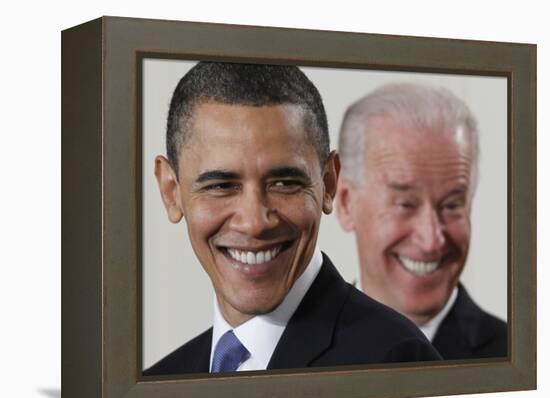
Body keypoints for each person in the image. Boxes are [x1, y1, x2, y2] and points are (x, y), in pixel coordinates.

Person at [144, 63, 440, 376]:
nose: (255, 222)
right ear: (171, 190)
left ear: (328, 183)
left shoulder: (395, 363)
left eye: (284, 183)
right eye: (221, 186)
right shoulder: (159, 383)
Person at [335, 82, 507, 360]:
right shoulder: (287, 352)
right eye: (405, 204)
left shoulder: (524, 358)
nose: (431, 240)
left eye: (452, 205)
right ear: (345, 203)